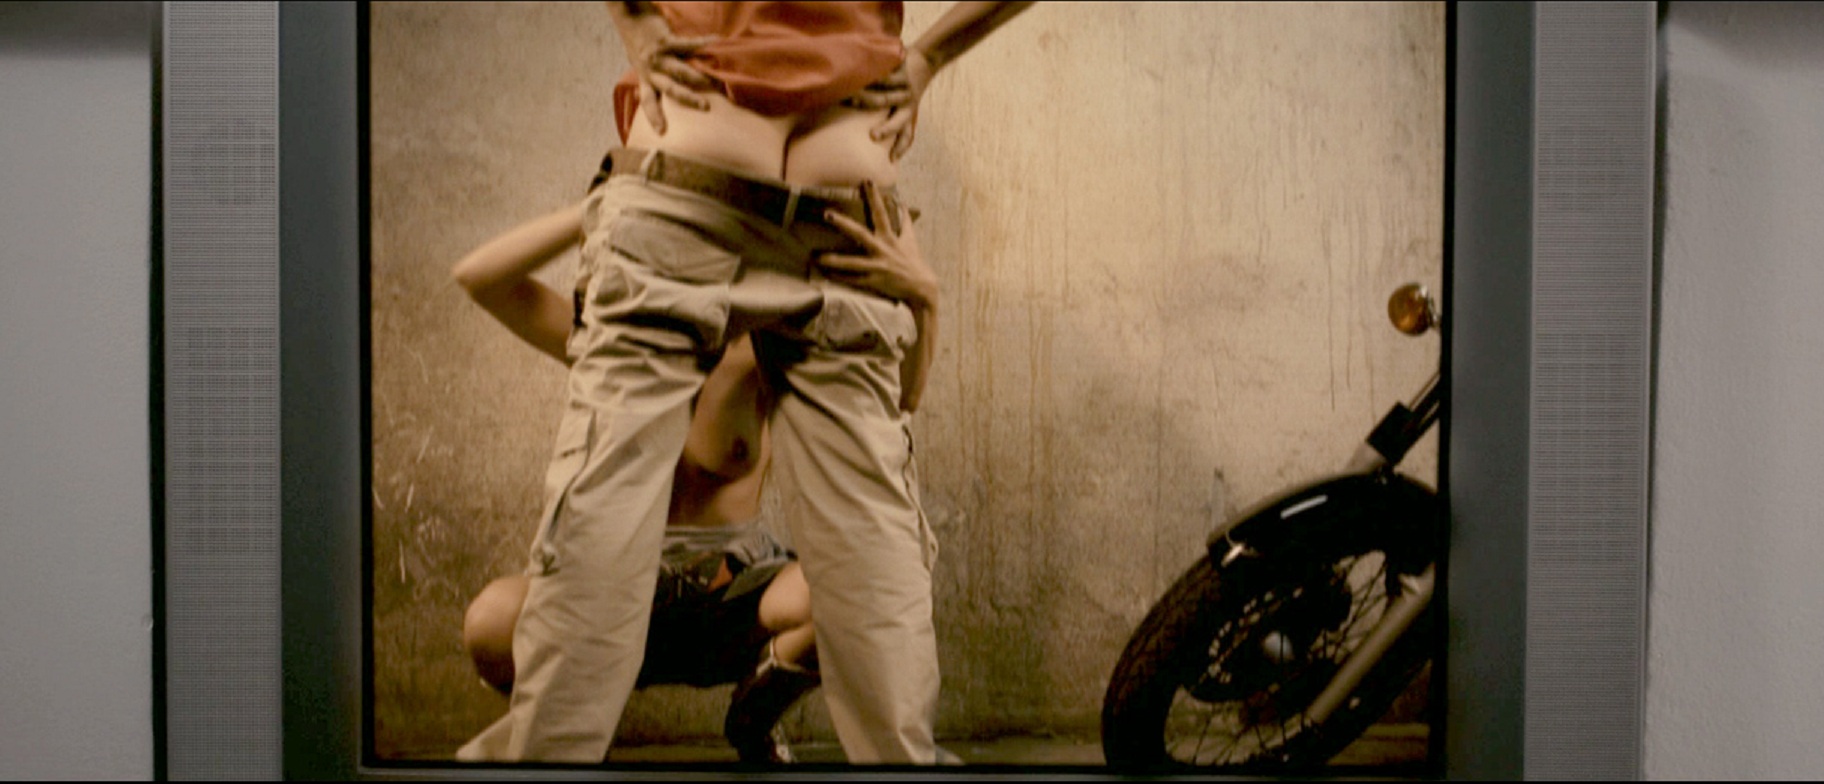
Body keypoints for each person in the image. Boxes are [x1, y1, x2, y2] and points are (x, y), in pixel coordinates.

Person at [463, 1, 1032, 766]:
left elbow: (909, 394)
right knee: (868, 558)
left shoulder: (748, 375)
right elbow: (481, 279)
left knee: (858, 562)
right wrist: (928, 55)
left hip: (710, 172)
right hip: (832, 186)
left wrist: (637, 21)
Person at [448, 160, 941, 764]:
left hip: (733, 598)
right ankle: (565, 736)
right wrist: (605, 208)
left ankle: (758, 705)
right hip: (613, 591)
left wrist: (924, 297)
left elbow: (900, 399)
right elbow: (479, 277)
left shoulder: (772, 348)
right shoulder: (620, 340)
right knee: (489, 622)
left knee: (860, 586)